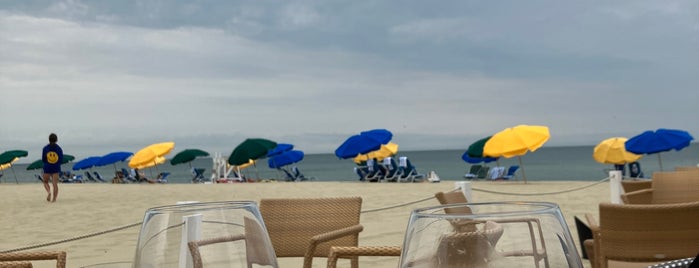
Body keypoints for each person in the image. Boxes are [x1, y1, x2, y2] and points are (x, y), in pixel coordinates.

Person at [42, 133, 63, 202]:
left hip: (47, 166)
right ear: (56, 140)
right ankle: (54, 199)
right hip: (56, 167)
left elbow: (43, 159)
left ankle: (49, 192)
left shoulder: (45, 148)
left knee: (45, 182)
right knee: (55, 184)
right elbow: (61, 159)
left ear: (49, 139)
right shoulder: (59, 148)